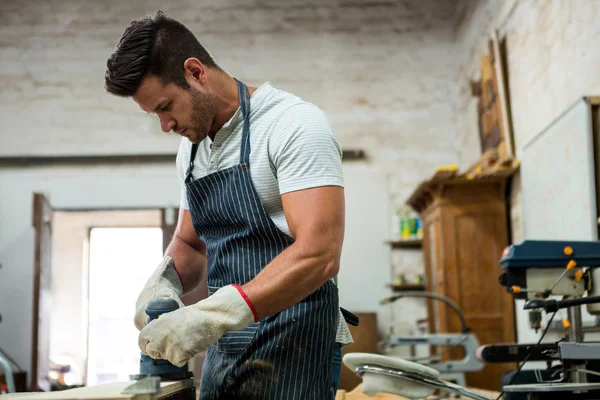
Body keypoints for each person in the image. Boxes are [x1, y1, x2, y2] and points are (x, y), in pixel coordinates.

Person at [105, 11, 354, 400]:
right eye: (155, 113)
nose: (165, 125)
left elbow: (319, 254)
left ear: (195, 72)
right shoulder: (190, 151)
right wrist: (165, 283)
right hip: (227, 345)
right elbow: (191, 245)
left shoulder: (293, 124)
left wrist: (209, 316)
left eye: (166, 106)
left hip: (297, 341)